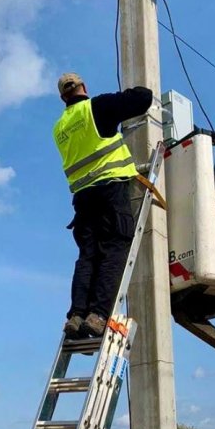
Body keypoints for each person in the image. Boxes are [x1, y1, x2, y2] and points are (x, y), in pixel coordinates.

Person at [53, 72, 153, 338]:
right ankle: (98, 314)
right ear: (83, 87)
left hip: (83, 199)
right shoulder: (96, 108)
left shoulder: (60, 127)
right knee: (115, 247)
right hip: (110, 190)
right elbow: (143, 98)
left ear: (63, 96)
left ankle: (77, 315)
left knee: (88, 255)